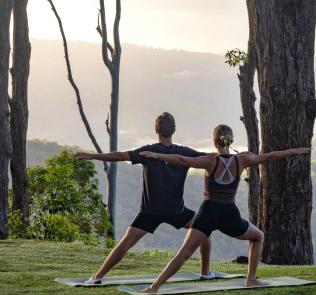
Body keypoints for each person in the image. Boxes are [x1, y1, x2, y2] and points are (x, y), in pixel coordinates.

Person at [139, 124, 311, 292]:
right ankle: (250, 280)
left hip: (208, 213)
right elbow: (269, 156)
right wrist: (294, 151)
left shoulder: (210, 161)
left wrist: (157, 155)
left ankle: (154, 287)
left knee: (183, 254)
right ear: (230, 141)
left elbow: (182, 160)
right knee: (258, 237)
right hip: (229, 214)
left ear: (215, 142)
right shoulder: (242, 160)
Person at [75, 112, 215, 284]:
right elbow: (211, 157)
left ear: (156, 129)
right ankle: (205, 272)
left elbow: (120, 156)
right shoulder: (184, 152)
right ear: (174, 130)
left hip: (150, 211)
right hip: (176, 210)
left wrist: (91, 156)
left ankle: (97, 277)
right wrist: (241, 157)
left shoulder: (149, 151)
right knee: (205, 231)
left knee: (125, 244)